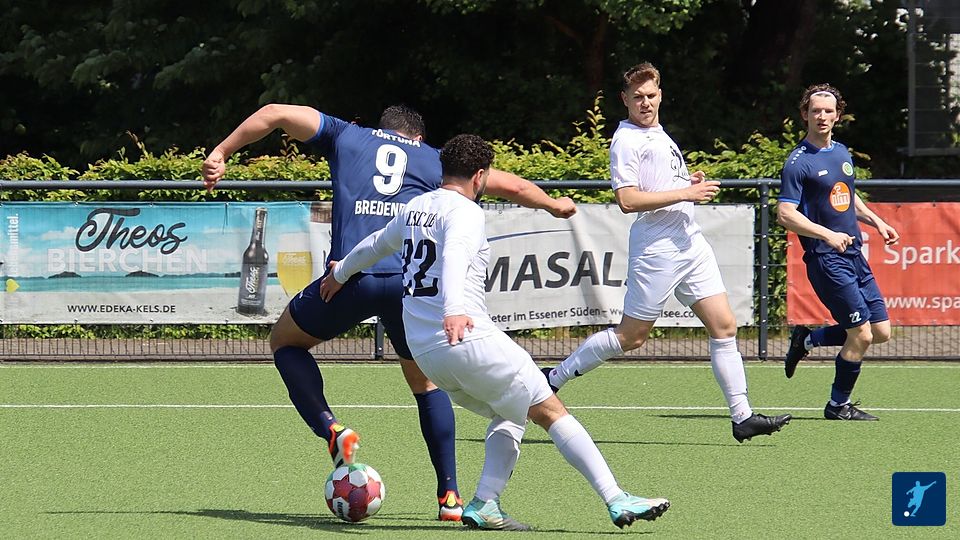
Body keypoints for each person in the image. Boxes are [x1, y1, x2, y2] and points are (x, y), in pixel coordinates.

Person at [202, 104, 577, 521]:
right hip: (407, 288)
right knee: (426, 386)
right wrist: (554, 205)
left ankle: (331, 428)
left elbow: (275, 112)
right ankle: (449, 498)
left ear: (380, 128)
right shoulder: (434, 159)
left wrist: (221, 152)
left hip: (349, 278)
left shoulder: (347, 136)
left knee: (285, 342)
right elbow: (512, 185)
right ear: (417, 137)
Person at [320, 133, 670, 530]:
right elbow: (454, 254)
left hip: (426, 353)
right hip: (465, 339)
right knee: (550, 410)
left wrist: (341, 272)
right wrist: (454, 310)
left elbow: (377, 244)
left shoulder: (417, 206)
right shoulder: (466, 212)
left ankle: (485, 503)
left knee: (511, 411)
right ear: (479, 176)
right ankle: (616, 497)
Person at [541, 62, 792, 443]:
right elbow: (627, 200)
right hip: (657, 248)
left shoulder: (658, 133)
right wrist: (686, 192)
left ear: (661, 95)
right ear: (624, 100)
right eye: (637, 97)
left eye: (651, 95)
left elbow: (656, 185)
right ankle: (552, 379)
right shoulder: (626, 140)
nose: (645, 102)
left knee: (724, 325)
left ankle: (742, 417)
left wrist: (685, 181)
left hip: (690, 242)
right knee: (631, 336)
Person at [778, 84, 899, 421]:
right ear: (805, 115)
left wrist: (877, 221)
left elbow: (847, 196)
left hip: (854, 255)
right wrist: (827, 235)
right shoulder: (798, 163)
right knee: (861, 334)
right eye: (815, 110)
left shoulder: (841, 152)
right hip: (826, 259)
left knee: (881, 332)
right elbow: (785, 214)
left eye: (828, 111)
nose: (822, 116)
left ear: (838, 115)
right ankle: (837, 406)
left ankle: (807, 340)